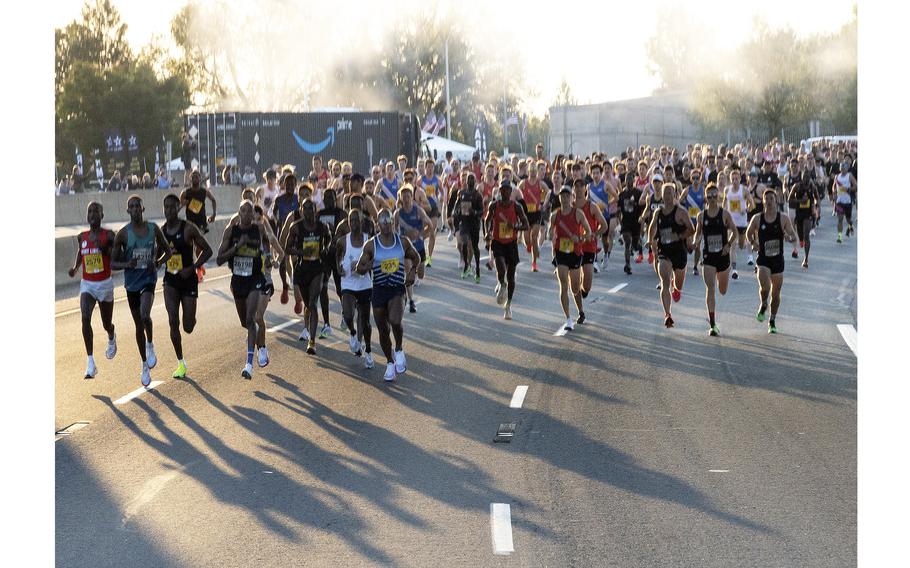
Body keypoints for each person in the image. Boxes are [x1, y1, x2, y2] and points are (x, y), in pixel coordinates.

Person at [354, 208, 423, 381]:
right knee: (383, 331)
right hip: (378, 290)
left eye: (388, 220)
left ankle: (399, 349)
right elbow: (359, 268)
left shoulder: (402, 242)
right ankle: (390, 362)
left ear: (393, 222)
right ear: (377, 224)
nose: (386, 224)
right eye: (382, 221)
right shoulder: (371, 245)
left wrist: (413, 272)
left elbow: (416, 257)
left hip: (397, 289)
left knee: (395, 320)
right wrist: (369, 265)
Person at [111, 195, 172, 386]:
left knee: (145, 315)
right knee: (138, 325)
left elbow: (167, 251)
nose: (136, 209)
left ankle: (150, 344)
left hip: (148, 279)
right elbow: (112, 263)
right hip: (131, 284)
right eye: (132, 207)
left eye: (138, 206)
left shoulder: (153, 229)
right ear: (128, 211)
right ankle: (144, 364)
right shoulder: (122, 234)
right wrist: (127, 263)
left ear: (143, 209)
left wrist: (158, 262)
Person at [161, 193, 212, 379]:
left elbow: (208, 250)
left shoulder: (188, 228)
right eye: (165, 207)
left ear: (178, 208)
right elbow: (159, 255)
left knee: (188, 326)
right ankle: (181, 362)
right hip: (170, 280)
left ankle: (191, 318)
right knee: (173, 320)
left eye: (172, 207)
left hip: (188, 278)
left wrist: (192, 267)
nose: (169, 210)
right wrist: (159, 260)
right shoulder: (162, 232)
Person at [216, 200, 269, 378]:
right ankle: (261, 345)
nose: (247, 214)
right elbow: (219, 259)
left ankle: (249, 364)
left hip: (255, 279)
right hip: (238, 281)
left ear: (253, 214)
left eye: (250, 211)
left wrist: (268, 256)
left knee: (251, 317)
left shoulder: (259, 229)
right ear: (239, 213)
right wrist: (237, 246)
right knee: (245, 323)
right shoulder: (231, 232)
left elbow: (269, 241)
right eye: (243, 211)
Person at [68, 202, 118, 379]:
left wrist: (103, 247)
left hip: (105, 284)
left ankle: (111, 334)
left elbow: (114, 258)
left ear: (102, 215)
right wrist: (75, 268)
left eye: (96, 211)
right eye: (90, 211)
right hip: (88, 284)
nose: (92, 214)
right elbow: (82, 254)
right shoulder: (82, 236)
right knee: (85, 317)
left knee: (106, 323)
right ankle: (90, 362)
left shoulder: (109, 235)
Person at [746, 189, 799, 334]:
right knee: (765, 288)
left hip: (777, 260)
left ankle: (772, 320)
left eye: (771, 198)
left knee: (776, 295)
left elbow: (793, 235)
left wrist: (789, 238)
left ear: (775, 201)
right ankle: (763, 304)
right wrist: (752, 242)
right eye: (766, 198)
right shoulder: (757, 218)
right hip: (763, 259)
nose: (769, 201)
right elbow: (748, 233)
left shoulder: (783, 218)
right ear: (763, 201)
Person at [284, 198, 331, 354]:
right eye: (306, 208)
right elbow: (287, 248)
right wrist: (301, 252)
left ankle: (312, 341)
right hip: (302, 268)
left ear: (315, 210)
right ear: (302, 210)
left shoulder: (321, 227)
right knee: (307, 304)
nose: (309, 211)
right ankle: (308, 325)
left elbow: (329, 239)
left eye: (311, 208)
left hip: (317, 268)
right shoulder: (296, 228)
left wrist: (324, 249)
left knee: (312, 303)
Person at [692, 183, 737, 336]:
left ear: (718, 196)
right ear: (706, 197)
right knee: (710, 288)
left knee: (722, 291)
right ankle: (712, 324)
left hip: (723, 257)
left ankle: (722, 278)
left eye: (714, 195)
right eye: (709, 196)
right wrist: (695, 242)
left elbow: (735, 232)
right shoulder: (701, 216)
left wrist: (728, 245)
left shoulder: (724, 214)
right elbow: (697, 234)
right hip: (708, 257)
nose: (712, 198)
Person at [647, 183, 694, 328]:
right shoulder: (658, 213)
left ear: (674, 195)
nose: (667, 195)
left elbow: (691, 229)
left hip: (679, 252)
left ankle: (676, 287)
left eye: (670, 193)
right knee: (664, 281)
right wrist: (650, 241)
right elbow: (652, 227)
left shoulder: (681, 212)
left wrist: (679, 236)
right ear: (661, 195)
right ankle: (667, 314)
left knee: (677, 285)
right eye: (665, 192)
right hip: (664, 252)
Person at [548, 185, 592, 331]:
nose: (565, 198)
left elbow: (589, 232)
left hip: (575, 253)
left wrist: (579, 237)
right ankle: (568, 319)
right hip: (561, 253)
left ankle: (580, 311)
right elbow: (550, 233)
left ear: (572, 197)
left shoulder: (578, 213)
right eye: (562, 196)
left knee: (574, 287)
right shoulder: (555, 215)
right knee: (563, 285)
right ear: (559, 198)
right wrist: (551, 238)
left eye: (567, 196)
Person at [484, 179, 530, 320]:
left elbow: (526, 224)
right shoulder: (494, 205)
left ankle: (508, 305)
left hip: (511, 243)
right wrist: (487, 232)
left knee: (511, 276)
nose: (505, 192)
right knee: (501, 269)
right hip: (497, 242)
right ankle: (501, 284)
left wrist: (515, 227)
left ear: (511, 192)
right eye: (502, 190)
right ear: (499, 191)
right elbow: (487, 220)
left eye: (507, 190)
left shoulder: (516, 206)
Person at [336, 208, 375, 369]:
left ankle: (368, 351)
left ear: (361, 222)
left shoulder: (368, 240)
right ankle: (352, 333)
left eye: (356, 220)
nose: (353, 223)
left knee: (365, 321)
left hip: (364, 284)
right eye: (351, 220)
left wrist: (365, 267)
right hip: (348, 283)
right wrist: (339, 267)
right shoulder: (343, 241)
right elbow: (337, 254)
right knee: (348, 313)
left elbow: (375, 260)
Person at [316, 188, 346, 338]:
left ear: (335, 199)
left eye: (331, 197)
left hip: (337, 255)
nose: (328, 200)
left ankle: (345, 312)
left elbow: (347, 233)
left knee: (340, 289)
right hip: (324, 257)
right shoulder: (319, 215)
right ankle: (327, 324)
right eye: (326, 197)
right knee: (323, 287)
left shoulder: (341, 214)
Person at [573, 180, 608, 303]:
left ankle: (584, 290)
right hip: (573, 247)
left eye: (580, 186)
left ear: (585, 189)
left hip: (588, 247)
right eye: (575, 186)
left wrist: (594, 234)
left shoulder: (592, 207)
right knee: (574, 281)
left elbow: (604, 226)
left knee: (587, 285)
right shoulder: (571, 207)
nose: (578, 189)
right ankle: (580, 310)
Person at [179, 169, 217, 282]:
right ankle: (200, 266)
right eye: (193, 177)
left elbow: (213, 200)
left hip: (201, 223)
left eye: (197, 177)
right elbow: (178, 207)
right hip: (190, 223)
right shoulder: (185, 193)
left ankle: (199, 269)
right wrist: (182, 204)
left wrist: (214, 214)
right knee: (195, 246)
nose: (195, 178)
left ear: (200, 179)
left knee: (199, 246)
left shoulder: (204, 192)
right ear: (190, 179)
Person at [272, 173, 300, 304]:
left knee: (293, 257)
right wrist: (277, 220)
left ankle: (294, 280)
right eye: (287, 184)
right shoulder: (279, 199)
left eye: (292, 184)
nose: (289, 186)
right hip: (282, 230)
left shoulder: (298, 199)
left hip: (295, 233)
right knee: (283, 259)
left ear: (295, 185)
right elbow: (273, 212)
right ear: (284, 185)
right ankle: (284, 285)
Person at [452, 172, 485, 281]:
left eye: (472, 179)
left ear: (475, 182)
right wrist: (456, 212)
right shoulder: (461, 193)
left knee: (475, 247)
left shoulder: (478, 195)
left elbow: (482, 211)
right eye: (468, 179)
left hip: (474, 223)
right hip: (464, 222)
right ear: (466, 181)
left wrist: (474, 212)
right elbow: (456, 206)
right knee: (464, 243)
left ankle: (477, 269)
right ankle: (466, 265)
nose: (470, 181)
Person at [722, 173, 754, 280]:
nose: (735, 181)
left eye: (736, 179)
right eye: (733, 179)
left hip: (742, 223)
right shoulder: (727, 190)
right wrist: (724, 216)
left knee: (741, 245)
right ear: (730, 180)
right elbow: (723, 205)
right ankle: (734, 270)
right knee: (732, 246)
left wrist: (745, 210)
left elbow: (752, 205)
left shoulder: (744, 190)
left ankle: (747, 245)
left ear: (740, 179)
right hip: (731, 223)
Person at [518, 161, 548, 272]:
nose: (533, 173)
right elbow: (517, 192)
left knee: (534, 236)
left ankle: (534, 262)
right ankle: (533, 250)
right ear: (528, 172)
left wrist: (543, 203)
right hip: (526, 213)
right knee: (527, 239)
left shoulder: (540, 183)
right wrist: (520, 204)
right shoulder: (523, 183)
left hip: (536, 213)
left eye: (535, 171)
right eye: (531, 171)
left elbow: (548, 192)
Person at [788, 170, 818, 268]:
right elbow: (789, 199)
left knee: (806, 235)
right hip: (799, 213)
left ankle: (806, 259)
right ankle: (801, 241)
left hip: (808, 213)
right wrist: (800, 201)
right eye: (804, 177)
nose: (806, 179)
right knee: (800, 234)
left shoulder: (812, 186)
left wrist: (815, 208)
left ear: (810, 178)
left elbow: (817, 198)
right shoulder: (796, 186)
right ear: (801, 177)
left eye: (808, 177)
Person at [617, 172, 644, 274]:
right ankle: (627, 265)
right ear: (625, 181)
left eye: (631, 179)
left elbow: (642, 209)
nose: (629, 181)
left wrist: (642, 223)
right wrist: (620, 223)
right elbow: (618, 211)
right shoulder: (622, 195)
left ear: (634, 180)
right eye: (627, 179)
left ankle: (637, 245)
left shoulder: (638, 193)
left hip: (636, 223)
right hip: (626, 223)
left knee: (635, 244)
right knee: (627, 243)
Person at [417, 158, 442, 267]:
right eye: (429, 167)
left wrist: (441, 198)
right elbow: (416, 192)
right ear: (425, 167)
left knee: (433, 230)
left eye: (432, 167)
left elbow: (442, 191)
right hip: (424, 208)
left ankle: (429, 257)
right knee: (422, 231)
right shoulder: (420, 180)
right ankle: (420, 244)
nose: (430, 169)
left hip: (434, 208)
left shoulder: (437, 179)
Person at [832, 161, 857, 242]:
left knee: (848, 219)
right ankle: (839, 236)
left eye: (844, 167)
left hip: (847, 201)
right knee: (840, 219)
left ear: (847, 168)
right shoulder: (837, 177)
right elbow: (834, 187)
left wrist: (849, 189)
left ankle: (850, 226)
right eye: (841, 167)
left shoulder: (849, 176)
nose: (842, 168)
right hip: (839, 201)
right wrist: (834, 193)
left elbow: (856, 186)